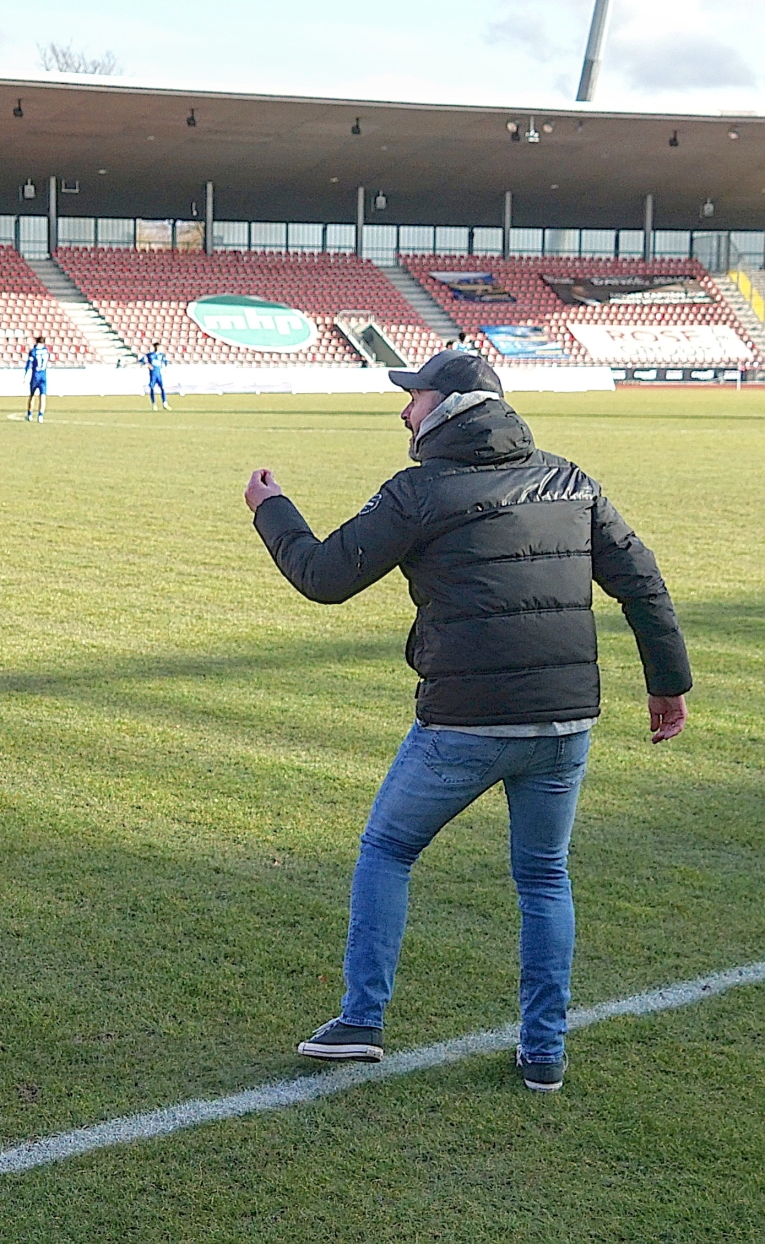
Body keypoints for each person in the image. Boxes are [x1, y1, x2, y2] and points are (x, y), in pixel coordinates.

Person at [244, 349, 692, 1094]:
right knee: (545, 877)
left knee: (388, 848)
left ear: (447, 406)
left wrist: (272, 510)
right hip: (564, 720)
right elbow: (639, 580)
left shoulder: (421, 490)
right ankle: (543, 1056)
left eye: (412, 398)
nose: (403, 411)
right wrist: (667, 685)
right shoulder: (570, 479)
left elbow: (324, 576)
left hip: (467, 721)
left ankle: (361, 1021)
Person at [24, 336, 49, 422]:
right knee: (43, 396)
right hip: (43, 375)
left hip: (35, 375)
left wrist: (25, 375)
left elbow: (29, 364)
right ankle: (40, 415)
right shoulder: (46, 350)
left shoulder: (33, 351)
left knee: (32, 395)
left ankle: (30, 414)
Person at [141, 342, 169, 409]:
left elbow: (165, 362)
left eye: (159, 347)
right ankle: (154, 404)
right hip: (153, 375)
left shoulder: (161, 355)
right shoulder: (150, 355)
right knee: (152, 388)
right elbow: (142, 360)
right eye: (156, 347)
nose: (158, 348)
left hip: (159, 375)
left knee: (162, 388)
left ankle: (165, 403)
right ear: (154, 347)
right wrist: (147, 365)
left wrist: (164, 368)